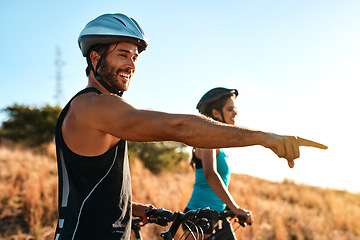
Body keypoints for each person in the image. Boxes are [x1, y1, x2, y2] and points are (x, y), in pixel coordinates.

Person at [53, 13, 327, 240]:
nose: (131, 65)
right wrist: (264, 138)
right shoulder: (95, 107)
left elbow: (82, 188)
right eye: (123, 55)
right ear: (95, 58)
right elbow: (180, 128)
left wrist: (134, 208)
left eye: (135, 58)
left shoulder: (84, 109)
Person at [183, 87, 251, 238]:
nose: (235, 113)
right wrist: (236, 208)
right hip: (199, 217)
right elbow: (210, 174)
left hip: (215, 216)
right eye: (230, 109)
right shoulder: (208, 139)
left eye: (235, 109)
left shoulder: (219, 144)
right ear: (215, 113)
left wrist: (229, 207)